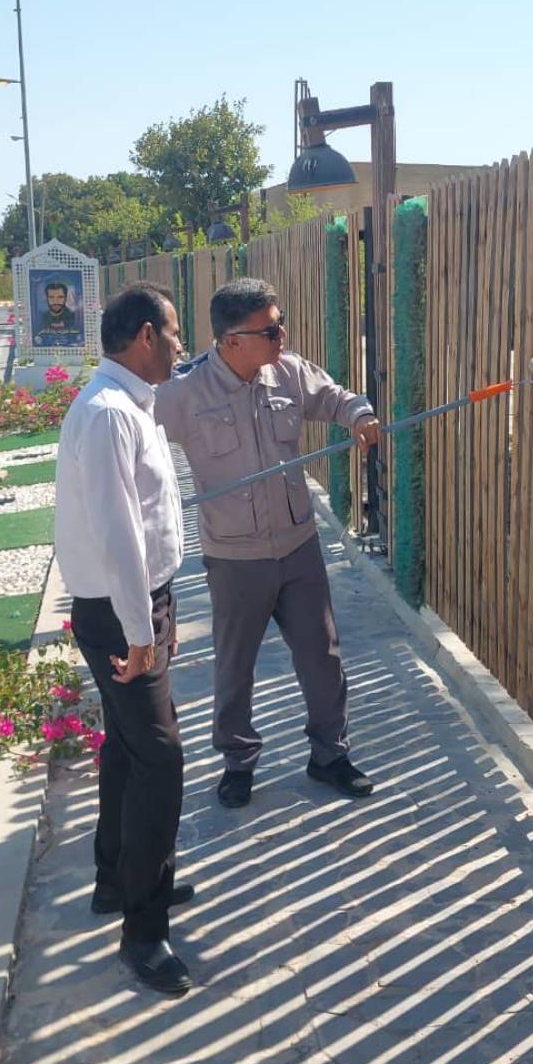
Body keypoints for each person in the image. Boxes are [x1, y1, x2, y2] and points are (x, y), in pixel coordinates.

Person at [155, 277, 381, 809]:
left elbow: (335, 397)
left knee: (322, 657)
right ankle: (238, 763)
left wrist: (360, 415)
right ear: (232, 341)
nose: (283, 338)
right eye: (271, 331)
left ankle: (330, 755)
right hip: (235, 557)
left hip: (298, 547)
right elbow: (133, 435)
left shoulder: (288, 372)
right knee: (235, 666)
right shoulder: (183, 392)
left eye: (281, 327)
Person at [54, 281, 193, 996]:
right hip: (119, 614)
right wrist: (142, 635)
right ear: (144, 336)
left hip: (136, 607)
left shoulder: (132, 403)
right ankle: (144, 929)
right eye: (173, 332)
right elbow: (119, 538)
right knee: (160, 761)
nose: (180, 345)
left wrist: (159, 616)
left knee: (129, 747)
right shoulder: (110, 413)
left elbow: (145, 526)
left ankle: (115, 877)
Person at [34, 280, 83, 346]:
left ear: (65, 298)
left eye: (60, 297)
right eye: (51, 297)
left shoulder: (73, 317)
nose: (56, 301)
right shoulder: (42, 318)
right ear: (46, 298)